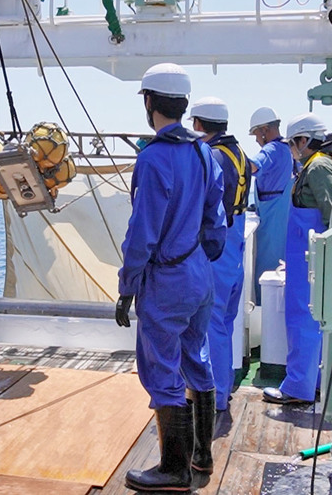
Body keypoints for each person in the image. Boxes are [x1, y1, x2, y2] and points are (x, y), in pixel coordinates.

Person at [115, 63, 227, 492]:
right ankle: (202, 455)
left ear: (149, 103)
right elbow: (214, 217)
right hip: (200, 273)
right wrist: (204, 255)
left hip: (168, 280)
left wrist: (127, 287)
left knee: (161, 368)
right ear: (182, 105)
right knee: (195, 357)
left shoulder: (153, 157)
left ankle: (173, 470)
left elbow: (142, 233)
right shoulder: (205, 151)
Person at [262, 112, 332, 405]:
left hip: (310, 261)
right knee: (310, 323)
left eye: (293, 143)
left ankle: (298, 388)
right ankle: (314, 383)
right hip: (306, 260)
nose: (292, 149)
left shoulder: (319, 168)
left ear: (305, 139)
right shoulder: (315, 166)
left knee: (303, 323)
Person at [189, 97, 251, 419]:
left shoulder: (213, 155)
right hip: (237, 240)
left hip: (221, 242)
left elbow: (208, 205)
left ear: (199, 124)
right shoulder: (239, 153)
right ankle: (223, 389)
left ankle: (213, 395)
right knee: (225, 320)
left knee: (211, 321)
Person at [248, 107, 294, 304]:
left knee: (266, 270)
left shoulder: (272, 149)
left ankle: (262, 313)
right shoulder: (288, 150)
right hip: (283, 216)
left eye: (256, 134)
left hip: (271, 219)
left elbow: (252, 166)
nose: (257, 140)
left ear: (265, 130)